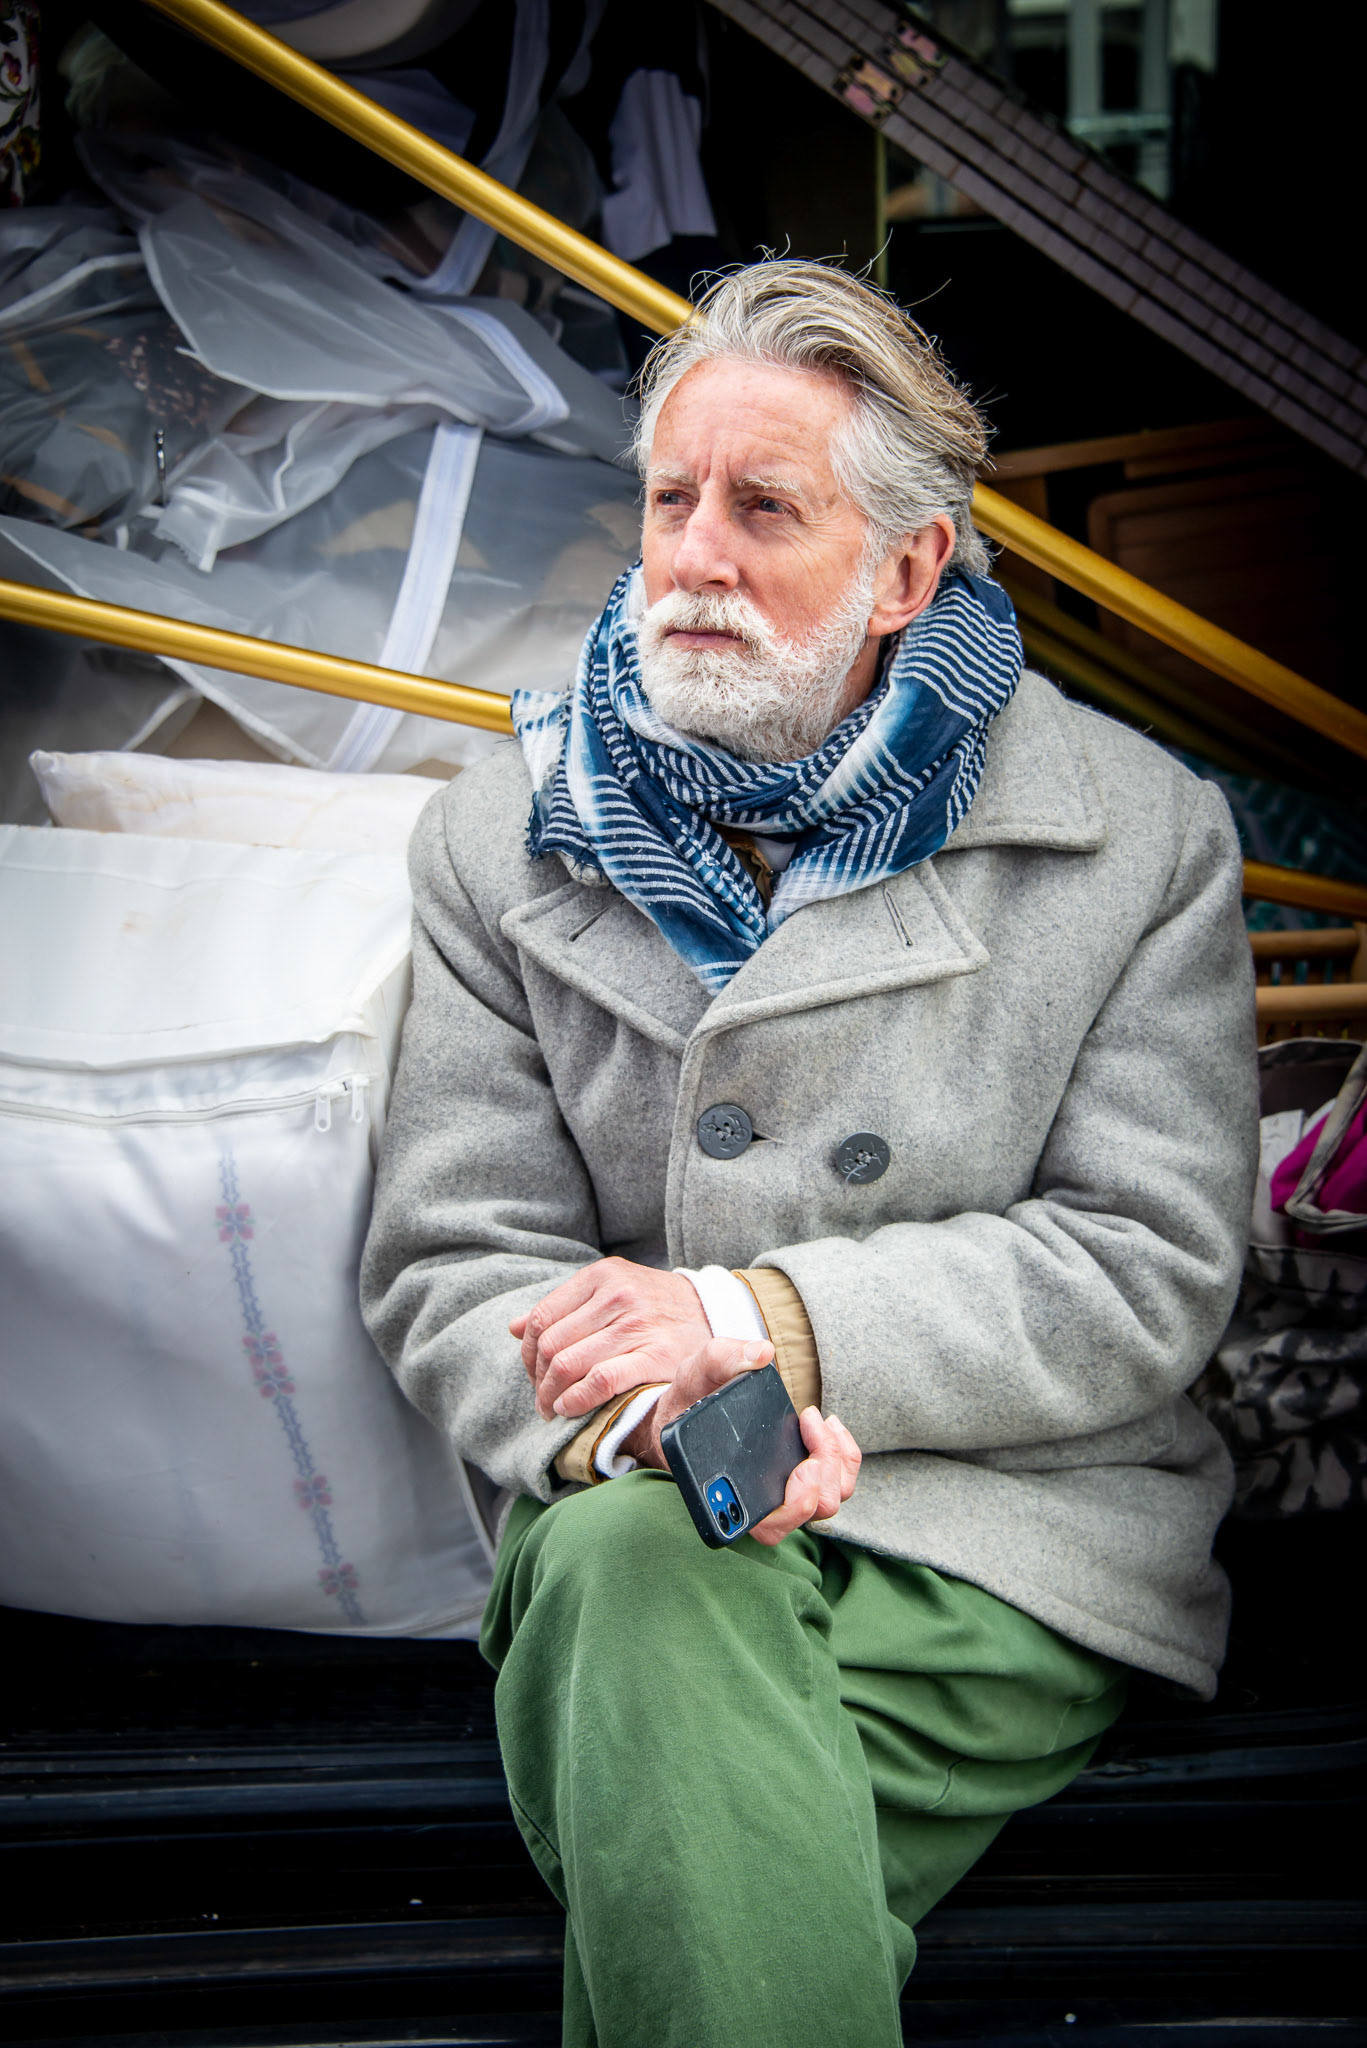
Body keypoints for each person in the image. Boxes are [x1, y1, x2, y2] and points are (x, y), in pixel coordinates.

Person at [361, 259, 1257, 2047]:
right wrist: (686, 1420)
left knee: (673, 1779)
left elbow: (1142, 1269)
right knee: (640, 1570)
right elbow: (455, 1259)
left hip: (1004, 1540)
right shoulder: (497, 841)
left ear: (907, 571)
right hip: (631, 1496)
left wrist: (755, 1320)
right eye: (669, 500)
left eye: (765, 509)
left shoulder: (1138, 839)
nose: (693, 558)